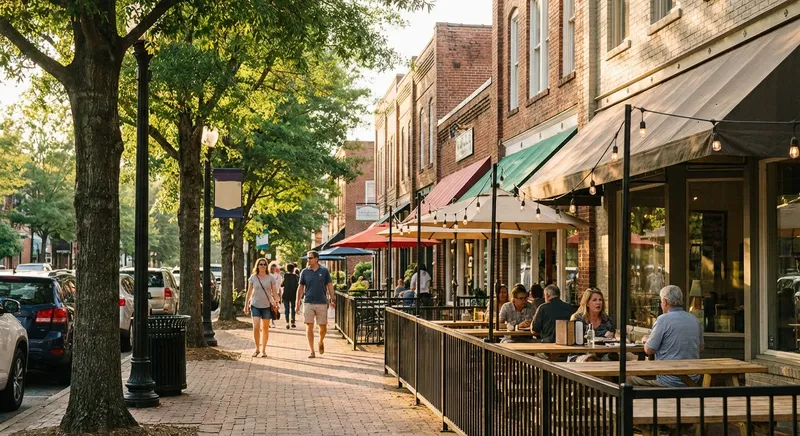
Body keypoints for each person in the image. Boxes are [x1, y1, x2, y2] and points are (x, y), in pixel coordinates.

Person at [631, 285, 704, 387]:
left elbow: (649, 350)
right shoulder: (694, 319)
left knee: (629, 379)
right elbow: (701, 348)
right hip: (693, 380)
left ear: (665, 302)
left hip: (669, 381)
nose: (661, 304)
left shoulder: (662, 320)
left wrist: (645, 340)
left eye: (661, 301)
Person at [296, 250, 335, 358]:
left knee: (323, 327)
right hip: (308, 302)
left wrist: (333, 298)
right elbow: (300, 288)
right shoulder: (304, 272)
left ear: (316, 259)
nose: (308, 260)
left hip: (322, 302)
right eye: (307, 258)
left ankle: (321, 341)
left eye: (310, 258)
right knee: (309, 325)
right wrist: (297, 303)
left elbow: (330, 285)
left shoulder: (325, 271)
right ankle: (312, 350)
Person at [244, 258, 279, 357]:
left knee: (265, 328)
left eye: (264, 264)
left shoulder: (270, 278)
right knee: (256, 327)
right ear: (257, 265)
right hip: (255, 305)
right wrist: (246, 305)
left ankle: (263, 350)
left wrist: (277, 303)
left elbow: (274, 292)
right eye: (261, 264)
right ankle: (257, 349)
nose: (263, 266)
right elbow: (249, 292)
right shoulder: (253, 277)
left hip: (267, 306)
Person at [282, 263, 299, 329]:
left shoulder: (285, 276)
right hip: (294, 294)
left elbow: (282, 284)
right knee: (293, 308)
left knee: (286, 309)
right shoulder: (296, 276)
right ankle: (293, 321)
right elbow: (297, 285)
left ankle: (287, 322)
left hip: (286, 294)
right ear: (293, 269)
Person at [269, 262, 282, 327]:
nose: (273, 269)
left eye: (274, 268)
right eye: (272, 268)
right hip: (267, 292)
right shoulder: (267, 275)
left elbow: (279, 286)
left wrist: (279, 295)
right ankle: (268, 321)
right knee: (268, 307)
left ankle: (273, 321)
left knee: (273, 307)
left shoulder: (278, 276)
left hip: (275, 293)